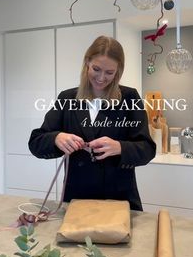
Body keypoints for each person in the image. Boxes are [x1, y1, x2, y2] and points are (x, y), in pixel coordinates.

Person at [28, 35, 156, 210]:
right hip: (77, 200)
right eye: (96, 69)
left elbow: (147, 149)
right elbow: (36, 142)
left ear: (118, 71)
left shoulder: (129, 97)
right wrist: (56, 138)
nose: (102, 78)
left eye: (110, 72)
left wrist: (120, 147)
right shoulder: (67, 98)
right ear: (87, 62)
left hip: (119, 200)